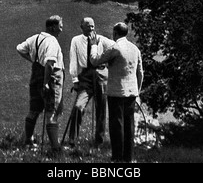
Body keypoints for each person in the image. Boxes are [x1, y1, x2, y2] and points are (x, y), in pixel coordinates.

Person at [89, 22, 144, 163]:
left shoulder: (115, 47)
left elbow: (95, 61)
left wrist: (94, 45)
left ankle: (117, 157)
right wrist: (137, 91)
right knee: (129, 124)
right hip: (131, 92)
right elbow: (140, 73)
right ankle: (128, 157)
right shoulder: (135, 49)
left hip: (116, 92)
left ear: (115, 33)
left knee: (116, 124)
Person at [16, 15, 64, 154]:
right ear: (53, 27)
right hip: (50, 78)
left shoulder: (35, 38)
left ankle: (28, 140)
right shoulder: (52, 41)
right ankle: (55, 148)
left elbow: (19, 48)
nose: (61, 30)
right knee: (51, 112)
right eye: (60, 26)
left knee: (34, 109)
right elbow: (49, 63)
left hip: (35, 76)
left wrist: (33, 61)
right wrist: (46, 83)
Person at [68, 17, 114, 148]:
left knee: (101, 109)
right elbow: (73, 60)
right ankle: (72, 139)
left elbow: (116, 48)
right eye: (88, 26)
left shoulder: (102, 39)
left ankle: (98, 141)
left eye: (93, 26)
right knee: (78, 106)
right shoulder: (76, 40)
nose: (91, 29)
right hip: (86, 76)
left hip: (101, 74)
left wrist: (110, 64)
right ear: (81, 27)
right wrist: (75, 80)